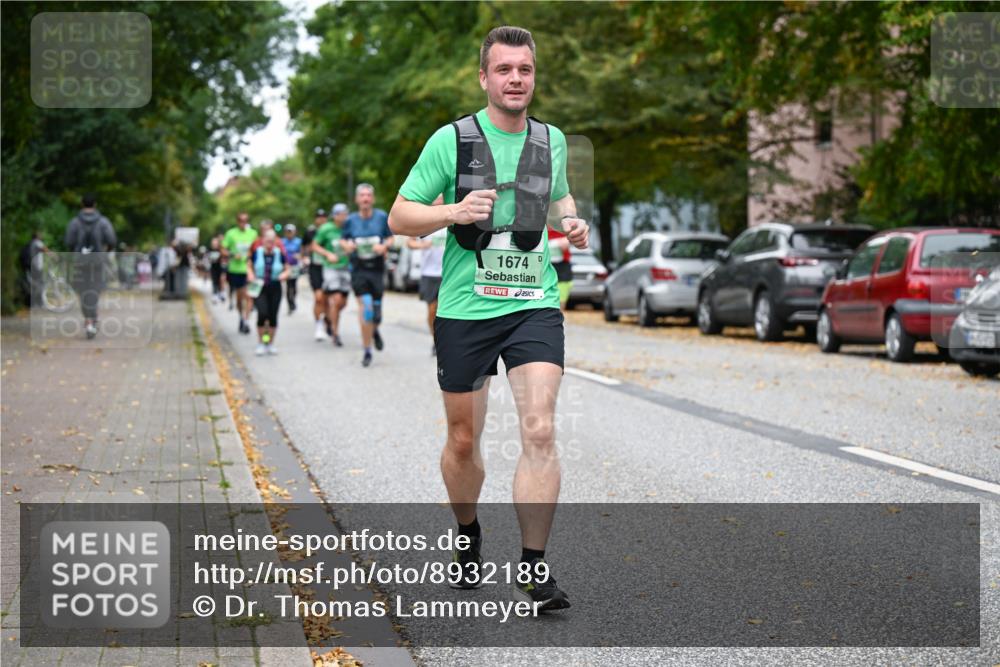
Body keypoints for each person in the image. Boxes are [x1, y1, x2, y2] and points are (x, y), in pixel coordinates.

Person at [388, 26, 589, 611]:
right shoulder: (451, 141)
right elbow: (401, 217)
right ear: (484, 77)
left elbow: (559, 198)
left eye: (524, 70)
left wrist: (570, 221)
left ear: (534, 76)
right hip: (464, 307)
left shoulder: (551, 140)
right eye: (504, 70)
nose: (515, 79)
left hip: (532, 301)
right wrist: (453, 210)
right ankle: (469, 534)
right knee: (462, 439)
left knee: (541, 429)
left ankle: (532, 569)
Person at [341, 185, 393, 367]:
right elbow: (343, 240)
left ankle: (375, 330)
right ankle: (367, 350)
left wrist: (384, 246)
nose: (365, 198)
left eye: (368, 195)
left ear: (373, 199)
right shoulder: (350, 220)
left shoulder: (381, 217)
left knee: (376, 315)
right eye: (362, 195)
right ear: (357, 199)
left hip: (377, 270)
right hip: (359, 270)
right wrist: (346, 247)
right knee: (367, 308)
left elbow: (390, 237)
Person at [64, 193, 117, 339]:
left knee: (82, 291)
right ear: (95, 205)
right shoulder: (103, 222)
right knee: (94, 290)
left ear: (82, 204)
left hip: (80, 262)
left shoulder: (74, 222)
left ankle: (88, 319)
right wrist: (105, 252)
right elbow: (112, 240)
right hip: (98, 262)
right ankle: (92, 321)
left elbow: (69, 242)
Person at [406, 195, 447, 354]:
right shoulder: (425, 220)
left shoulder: (452, 217)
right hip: (429, 272)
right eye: (435, 197)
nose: (438, 200)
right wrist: (422, 245)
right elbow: (410, 241)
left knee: (445, 310)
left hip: (448, 272)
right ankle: (434, 339)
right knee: (432, 310)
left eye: (441, 197)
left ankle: (445, 341)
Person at [312, 203, 352, 346]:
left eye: (346, 214)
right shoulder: (326, 229)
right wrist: (327, 254)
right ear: (335, 215)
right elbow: (314, 245)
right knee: (335, 298)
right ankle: (335, 333)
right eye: (341, 214)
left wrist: (351, 248)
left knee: (343, 302)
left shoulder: (349, 227)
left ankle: (329, 319)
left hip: (346, 267)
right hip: (331, 268)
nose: (344, 217)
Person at [246, 229, 289, 355]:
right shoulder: (256, 252)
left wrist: (284, 274)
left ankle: (269, 343)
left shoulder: (279, 253)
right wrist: (251, 275)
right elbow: (249, 265)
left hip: (275, 286)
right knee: (263, 313)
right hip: (260, 287)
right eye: (267, 239)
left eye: (272, 240)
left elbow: (288, 269)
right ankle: (261, 342)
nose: (270, 242)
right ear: (263, 240)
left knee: (272, 316)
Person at [222, 212, 258, 334]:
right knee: (239, 298)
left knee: (248, 296)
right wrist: (232, 254)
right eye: (241, 220)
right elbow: (223, 249)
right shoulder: (231, 234)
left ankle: (246, 321)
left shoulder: (253, 233)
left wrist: (251, 255)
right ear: (237, 221)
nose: (243, 223)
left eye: (245, 220)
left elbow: (257, 249)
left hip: (249, 270)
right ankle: (241, 317)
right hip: (235, 270)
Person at [305, 209, 330, 340]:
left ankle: (328, 323)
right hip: (315, 267)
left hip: (330, 267)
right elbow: (304, 247)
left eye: (324, 217)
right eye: (319, 217)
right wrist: (304, 256)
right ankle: (319, 326)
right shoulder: (310, 232)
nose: (321, 219)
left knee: (327, 299)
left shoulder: (332, 231)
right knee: (319, 297)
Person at [547, 227, 573, 309]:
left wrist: (566, 240)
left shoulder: (564, 225)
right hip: (545, 266)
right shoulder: (540, 223)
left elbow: (567, 243)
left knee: (561, 298)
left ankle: (559, 313)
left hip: (562, 267)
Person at [283, 224, 303, 314]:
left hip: (295, 266)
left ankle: (293, 300)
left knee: (293, 285)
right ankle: (290, 304)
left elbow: (302, 253)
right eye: (288, 232)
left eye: (291, 232)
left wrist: (299, 256)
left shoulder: (298, 241)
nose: (289, 233)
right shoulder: (282, 241)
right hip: (286, 266)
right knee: (288, 285)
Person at [208, 235, 226, 303]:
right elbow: (207, 258)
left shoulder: (220, 249)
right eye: (213, 243)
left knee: (221, 280)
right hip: (213, 267)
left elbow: (225, 256)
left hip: (220, 267)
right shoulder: (209, 249)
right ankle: (215, 294)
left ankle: (221, 293)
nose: (214, 244)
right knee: (215, 281)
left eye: (216, 243)